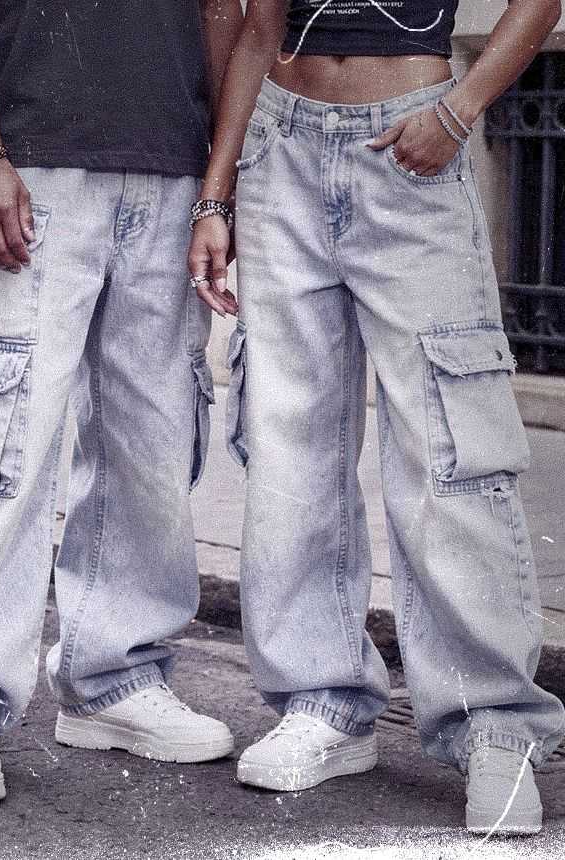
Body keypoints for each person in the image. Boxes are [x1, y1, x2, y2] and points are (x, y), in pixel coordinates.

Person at [189, 0, 565, 835]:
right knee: (291, 444)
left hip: (413, 144)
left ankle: (494, 725)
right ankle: (322, 702)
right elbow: (256, 26)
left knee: (447, 443)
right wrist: (218, 191)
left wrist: (460, 111)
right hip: (280, 142)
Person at [0, 0, 244, 800]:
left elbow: (227, 10)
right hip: (28, 161)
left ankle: (113, 680)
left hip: (175, 167)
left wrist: (221, 183)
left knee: (149, 444)